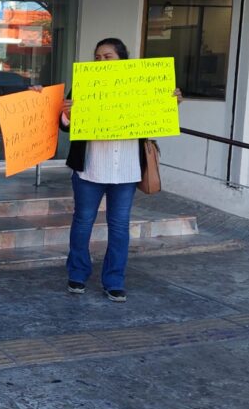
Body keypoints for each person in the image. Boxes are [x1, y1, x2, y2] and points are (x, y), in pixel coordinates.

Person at [59, 38, 182, 302]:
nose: (101, 61)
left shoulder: (140, 85)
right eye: (98, 57)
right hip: (90, 168)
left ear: (122, 59)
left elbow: (157, 118)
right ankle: (77, 274)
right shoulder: (84, 84)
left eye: (108, 56)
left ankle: (114, 280)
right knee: (82, 222)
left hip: (125, 169)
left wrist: (170, 103)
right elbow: (66, 127)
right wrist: (67, 113)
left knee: (119, 226)